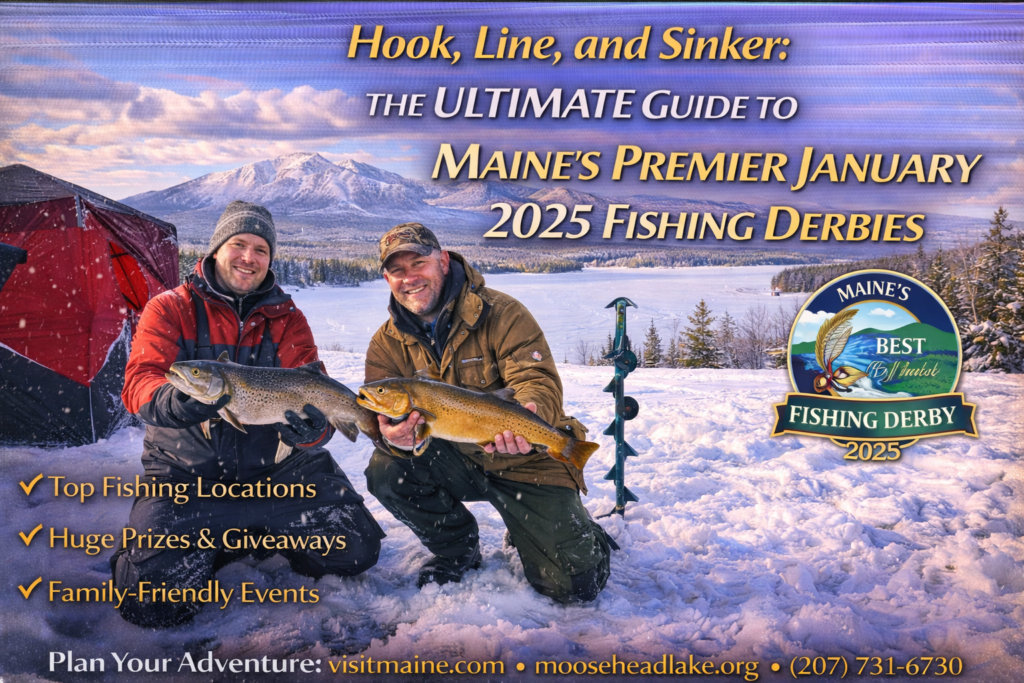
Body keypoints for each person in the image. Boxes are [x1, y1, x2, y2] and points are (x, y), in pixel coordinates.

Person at [114, 200, 384, 628]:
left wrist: (311, 434)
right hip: (189, 475)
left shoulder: (288, 318)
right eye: (239, 244)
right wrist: (174, 402)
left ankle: (250, 531)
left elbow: (317, 394)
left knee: (356, 549)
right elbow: (140, 383)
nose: (249, 257)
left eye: (261, 250)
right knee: (152, 604)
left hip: (280, 473)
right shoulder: (170, 308)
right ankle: (178, 546)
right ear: (216, 249)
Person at [364, 223, 614, 604]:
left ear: (444, 261)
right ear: (387, 278)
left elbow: (536, 378)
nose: (409, 277)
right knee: (386, 469)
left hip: (526, 457)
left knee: (575, 588)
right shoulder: (386, 342)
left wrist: (531, 413)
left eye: (419, 263)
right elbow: (378, 416)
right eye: (398, 271)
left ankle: (572, 531)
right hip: (455, 459)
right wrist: (393, 437)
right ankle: (457, 548)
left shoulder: (502, 312)